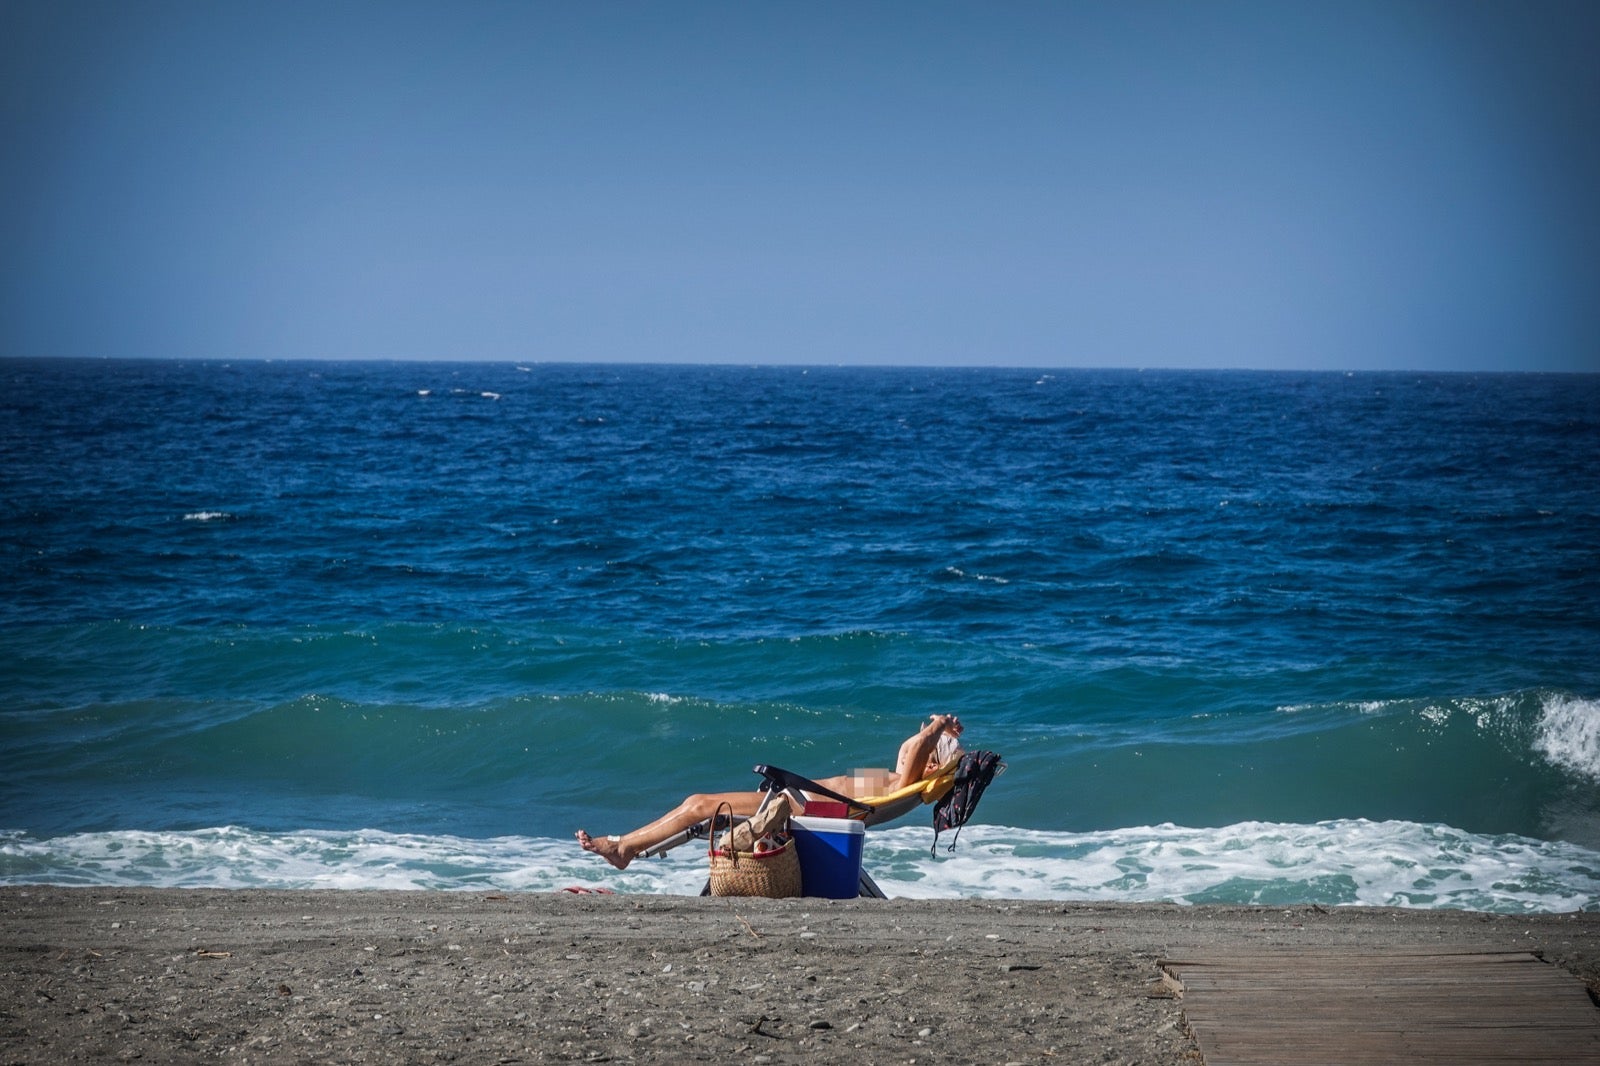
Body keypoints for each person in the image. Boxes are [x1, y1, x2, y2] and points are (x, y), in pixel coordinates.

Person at [576, 713, 964, 870]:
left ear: (928, 761)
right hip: (807, 802)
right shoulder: (904, 783)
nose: (906, 748)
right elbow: (914, 751)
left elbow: (914, 749)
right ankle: (625, 845)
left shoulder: (904, 780)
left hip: (798, 805)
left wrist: (936, 728)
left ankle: (623, 848)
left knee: (698, 805)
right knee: (697, 805)